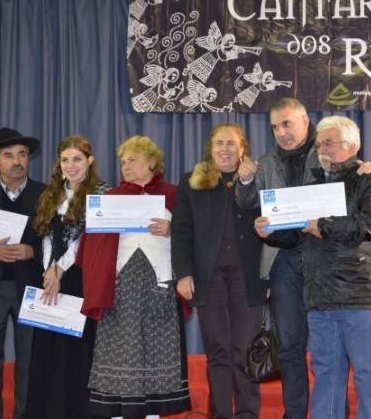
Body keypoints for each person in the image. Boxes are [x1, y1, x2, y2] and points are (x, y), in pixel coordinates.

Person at [236, 98, 371, 418]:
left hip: (327, 258)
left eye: (286, 124)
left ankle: (333, 413)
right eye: (274, 127)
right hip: (284, 258)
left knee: (332, 350)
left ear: (304, 121)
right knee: (289, 346)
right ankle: (295, 413)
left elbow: (357, 174)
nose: (281, 132)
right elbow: (246, 202)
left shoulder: (328, 146)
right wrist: (245, 180)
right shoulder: (266, 162)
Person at [77, 135, 191, 418]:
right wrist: (103, 270)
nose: (125, 166)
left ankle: (152, 413)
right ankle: (118, 413)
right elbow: (90, 247)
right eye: (123, 161)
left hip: (159, 281)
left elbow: (192, 237)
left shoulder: (175, 195)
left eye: (133, 160)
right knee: (120, 349)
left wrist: (172, 228)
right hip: (121, 285)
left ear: (152, 162)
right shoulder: (110, 198)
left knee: (156, 346)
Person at [172, 123, 267, 419]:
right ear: (210, 148)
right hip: (207, 278)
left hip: (248, 277)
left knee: (245, 350)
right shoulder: (192, 181)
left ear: (243, 150)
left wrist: (270, 276)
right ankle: (221, 414)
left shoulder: (259, 180)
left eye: (231, 144)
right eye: (219, 144)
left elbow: (272, 226)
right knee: (218, 351)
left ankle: (248, 414)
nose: (224, 149)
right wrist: (184, 273)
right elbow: (182, 230)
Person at [27, 135, 110, 419]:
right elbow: (46, 235)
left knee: (77, 351)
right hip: (51, 279)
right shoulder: (52, 194)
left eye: (77, 159)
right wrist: (49, 270)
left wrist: (60, 268)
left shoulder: (101, 193)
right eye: (65, 160)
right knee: (49, 350)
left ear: (89, 161)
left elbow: (86, 239)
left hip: (82, 279)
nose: (71, 166)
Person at [0, 128, 45, 419]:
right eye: (8, 155)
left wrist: (34, 252)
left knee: (30, 363)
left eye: (22, 154)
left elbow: (63, 240)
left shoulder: (46, 194)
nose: (17, 160)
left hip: (31, 289)